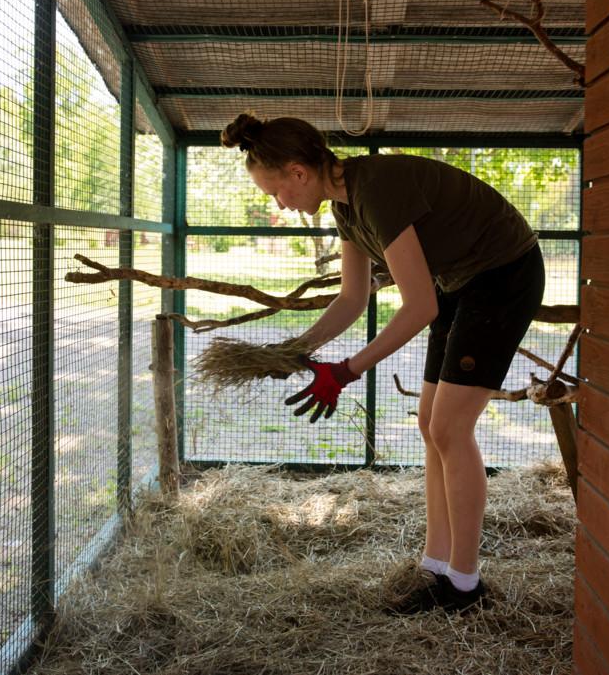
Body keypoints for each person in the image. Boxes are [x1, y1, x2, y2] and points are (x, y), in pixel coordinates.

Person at [221, 112, 545, 614]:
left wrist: (347, 370)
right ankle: (435, 567)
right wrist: (295, 350)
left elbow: (419, 307)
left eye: (275, 192)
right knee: (429, 424)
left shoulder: (375, 191)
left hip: (505, 275)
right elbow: (352, 299)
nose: (279, 204)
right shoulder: (346, 207)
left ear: (298, 173)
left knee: (451, 428)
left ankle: (465, 584)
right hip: (462, 281)